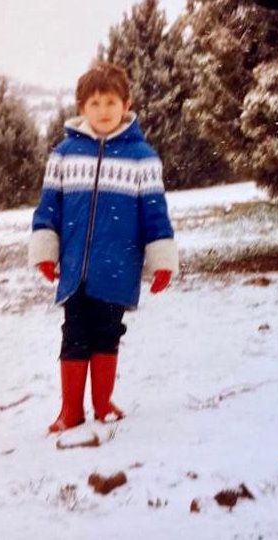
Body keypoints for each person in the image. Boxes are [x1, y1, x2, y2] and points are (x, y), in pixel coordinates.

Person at [28, 61, 178, 433]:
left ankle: (103, 403)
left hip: (117, 267)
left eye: (111, 102)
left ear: (126, 104)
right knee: (74, 334)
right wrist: (46, 250)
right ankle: (70, 410)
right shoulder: (64, 154)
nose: (103, 111)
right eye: (94, 104)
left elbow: (155, 213)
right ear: (82, 108)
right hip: (75, 267)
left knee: (107, 334)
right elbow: (49, 206)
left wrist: (161, 260)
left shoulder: (142, 158)